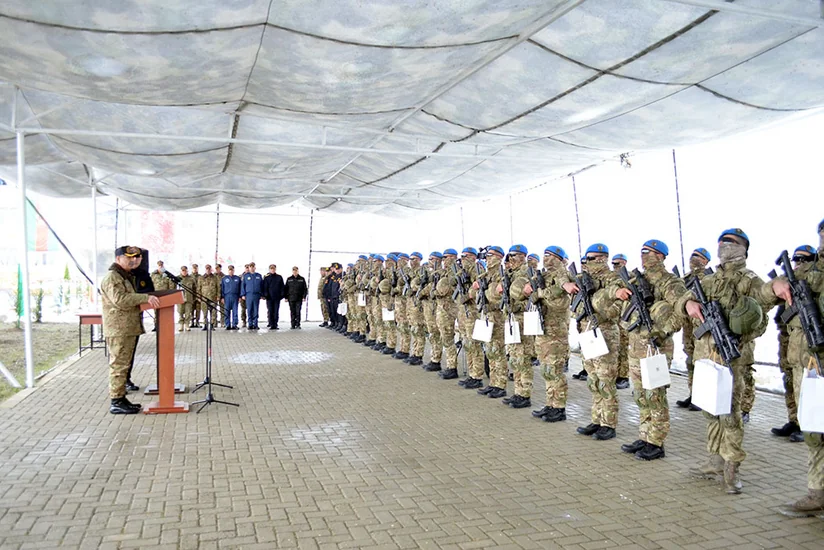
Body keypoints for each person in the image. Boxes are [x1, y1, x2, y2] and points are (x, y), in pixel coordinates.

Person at [678, 228, 771, 494]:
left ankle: (732, 467)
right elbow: (685, 298)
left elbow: (761, 320)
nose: (724, 246)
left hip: (732, 356)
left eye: (731, 243)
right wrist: (687, 305)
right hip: (706, 355)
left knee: (730, 413)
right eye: (722, 242)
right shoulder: (710, 279)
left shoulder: (750, 281)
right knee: (710, 408)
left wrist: (737, 328)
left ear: (744, 249)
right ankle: (714, 460)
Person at [769, 219, 824, 516]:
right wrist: (776, 285)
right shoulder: (807, 273)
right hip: (810, 366)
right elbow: (765, 297)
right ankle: (817, 493)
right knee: (815, 431)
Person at [615, 240, 686, 460]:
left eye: (651, 253)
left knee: (655, 395)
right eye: (643, 252)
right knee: (640, 395)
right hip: (636, 345)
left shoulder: (670, 283)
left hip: (657, 347)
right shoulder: (636, 279)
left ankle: (656, 442)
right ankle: (645, 435)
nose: (646, 256)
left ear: (662, 256)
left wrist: (662, 331)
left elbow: (681, 311)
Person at [564, 243, 624, 441]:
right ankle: (597, 419)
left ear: (601, 258)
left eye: (590, 259)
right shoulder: (584, 278)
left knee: (606, 380)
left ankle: (609, 424)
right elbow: (560, 278)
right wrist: (567, 285)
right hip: (587, 332)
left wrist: (596, 303)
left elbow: (617, 310)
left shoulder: (614, 278)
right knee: (593, 379)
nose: (586, 263)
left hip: (604, 333)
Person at [100, 246, 160, 414]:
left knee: (124, 364)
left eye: (135, 258)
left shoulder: (124, 276)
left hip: (126, 327)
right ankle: (116, 401)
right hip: (118, 328)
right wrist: (145, 298)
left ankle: (121, 398)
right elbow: (120, 299)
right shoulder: (113, 277)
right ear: (118, 259)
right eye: (128, 258)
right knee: (119, 364)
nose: (132, 261)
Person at [771, 245, 817, 442]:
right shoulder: (790, 282)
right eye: (796, 259)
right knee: (789, 381)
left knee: (805, 386)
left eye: (804, 260)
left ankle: (807, 424)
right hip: (788, 340)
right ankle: (794, 420)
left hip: (806, 345)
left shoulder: (812, 282)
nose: (799, 263)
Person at [530, 246, 572, 422]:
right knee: (547, 370)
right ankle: (550, 403)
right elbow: (530, 295)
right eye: (545, 255)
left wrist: (540, 293)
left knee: (555, 370)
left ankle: (559, 407)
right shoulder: (544, 276)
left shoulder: (564, 276)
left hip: (556, 331)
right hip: (543, 328)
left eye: (551, 256)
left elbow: (560, 301)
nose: (547, 258)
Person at [675, 247, 712, 411]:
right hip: (688, 326)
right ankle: (693, 394)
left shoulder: (710, 278)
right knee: (690, 360)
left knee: (702, 362)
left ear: (706, 261)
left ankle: (703, 397)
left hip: (702, 326)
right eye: (693, 256)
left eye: (699, 257)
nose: (694, 259)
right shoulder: (685, 279)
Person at [475, 246, 508, 399]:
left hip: (498, 318)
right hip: (486, 316)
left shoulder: (501, 274)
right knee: (491, 352)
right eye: (486, 256)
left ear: (500, 257)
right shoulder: (486, 275)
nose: (488, 258)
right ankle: (493, 383)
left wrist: (487, 291)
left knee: (498, 352)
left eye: (491, 255)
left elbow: (498, 296)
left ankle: (500, 385)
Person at [612, 254, 631, 390]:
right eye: (613, 264)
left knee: (624, 347)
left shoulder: (629, 277)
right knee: (614, 347)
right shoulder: (612, 277)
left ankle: (624, 376)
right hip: (613, 316)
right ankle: (615, 374)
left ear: (624, 262)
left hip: (625, 316)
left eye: (618, 264)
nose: (615, 266)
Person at [149, 260, 173, 331]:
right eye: (159, 265)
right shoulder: (153, 275)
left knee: (165, 312)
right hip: (156, 295)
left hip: (165, 296)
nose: (160, 267)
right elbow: (150, 284)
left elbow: (171, 286)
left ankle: (164, 325)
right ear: (157, 266)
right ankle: (156, 325)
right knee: (156, 311)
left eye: (161, 265)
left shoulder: (166, 275)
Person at [241, 262, 263, 330]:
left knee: (256, 310)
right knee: (249, 310)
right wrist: (243, 294)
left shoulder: (258, 276)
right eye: (250, 267)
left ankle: (255, 324)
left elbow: (262, 285)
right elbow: (243, 286)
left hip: (256, 295)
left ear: (255, 267)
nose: (252, 268)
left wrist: (262, 294)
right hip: (249, 295)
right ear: (249, 268)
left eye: (253, 267)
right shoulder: (246, 276)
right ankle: (250, 324)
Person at [262, 264, 285, 329]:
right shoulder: (267, 277)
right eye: (271, 269)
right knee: (270, 311)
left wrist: (282, 295)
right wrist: (265, 295)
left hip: (277, 297)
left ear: (275, 269)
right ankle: (271, 324)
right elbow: (265, 287)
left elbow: (282, 287)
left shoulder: (279, 277)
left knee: (276, 311)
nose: (272, 270)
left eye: (273, 268)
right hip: (269, 297)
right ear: (269, 269)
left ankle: (275, 324)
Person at [198, 264, 220, 330]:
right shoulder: (201, 278)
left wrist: (218, 296)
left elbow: (218, 288)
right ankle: (205, 325)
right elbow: (198, 288)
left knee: (213, 312)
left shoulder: (215, 278)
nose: (208, 270)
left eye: (209, 269)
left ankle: (212, 325)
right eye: (207, 269)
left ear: (211, 269)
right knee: (205, 312)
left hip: (213, 298)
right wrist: (199, 297)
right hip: (204, 298)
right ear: (205, 269)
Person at [221, 265, 242, 330]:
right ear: (228, 270)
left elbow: (240, 288)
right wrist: (222, 297)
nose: (231, 271)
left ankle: (234, 324)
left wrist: (240, 297)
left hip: (235, 296)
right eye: (229, 270)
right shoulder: (224, 278)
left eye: (232, 270)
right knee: (226, 312)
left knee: (235, 312)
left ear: (234, 270)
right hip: (227, 297)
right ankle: (227, 325)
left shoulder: (237, 278)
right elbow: (222, 288)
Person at [324, 263, 343, 330]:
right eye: (336, 269)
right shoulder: (334, 277)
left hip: (338, 297)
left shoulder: (342, 276)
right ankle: (335, 323)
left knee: (339, 313)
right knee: (333, 311)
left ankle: (340, 324)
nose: (337, 270)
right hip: (333, 296)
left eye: (338, 269)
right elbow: (330, 288)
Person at [177, 266, 195, 332]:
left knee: (188, 312)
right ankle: (181, 324)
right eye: (183, 271)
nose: (184, 272)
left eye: (185, 271)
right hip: (179, 298)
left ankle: (187, 324)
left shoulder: (191, 279)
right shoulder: (177, 278)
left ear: (187, 271)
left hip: (189, 298)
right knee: (180, 312)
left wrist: (194, 298)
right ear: (181, 271)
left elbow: (194, 288)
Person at [190, 263, 201, 328]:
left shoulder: (200, 276)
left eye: (196, 268)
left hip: (198, 295)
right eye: (194, 268)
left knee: (198, 309)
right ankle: (192, 322)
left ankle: (197, 322)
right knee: (191, 309)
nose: (195, 269)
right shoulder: (189, 276)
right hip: (191, 295)